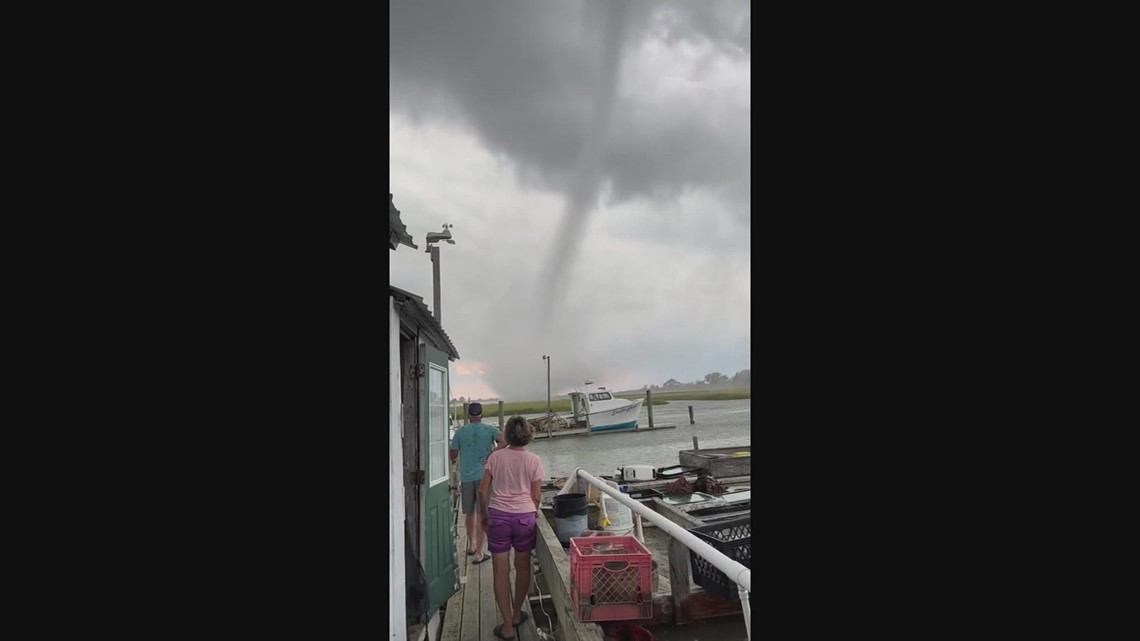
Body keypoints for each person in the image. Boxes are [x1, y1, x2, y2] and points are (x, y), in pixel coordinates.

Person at [479, 415, 544, 640]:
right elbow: (536, 496)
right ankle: (517, 614)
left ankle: (507, 626)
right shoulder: (534, 460)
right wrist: (530, 512)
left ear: (506, 434)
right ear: (528, 435)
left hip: (498, 517)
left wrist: (484, 514)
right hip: (524, 518)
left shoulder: (496, 457)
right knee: (523, 567)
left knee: (500, 571)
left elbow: (482, 491)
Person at [449, 402, 504, 564]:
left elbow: (452, 455)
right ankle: (480, 552)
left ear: (468, 415)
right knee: (482, 514)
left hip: (466, 477)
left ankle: (471, 545)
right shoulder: (489, 430)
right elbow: (505, 440)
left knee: (469, 513)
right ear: (482, 414)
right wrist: (492, 454)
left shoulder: (460, 432)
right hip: (484, 477)